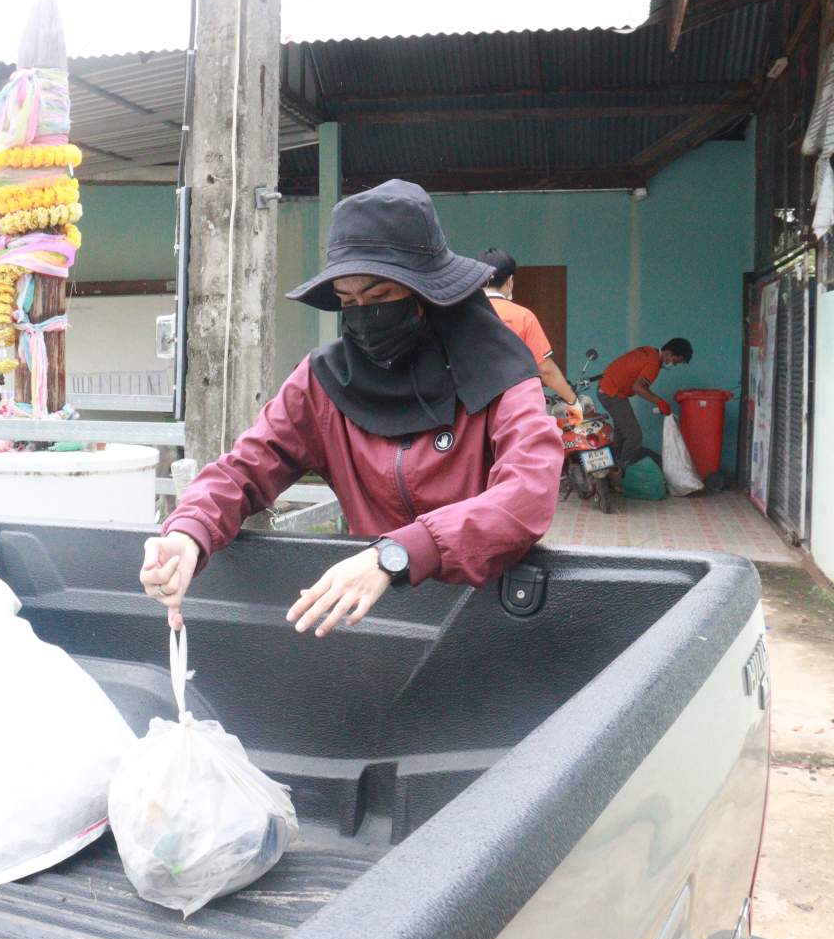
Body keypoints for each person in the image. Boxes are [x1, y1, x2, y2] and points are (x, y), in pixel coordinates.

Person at [140, 180, 562, 637]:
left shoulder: (497, 371)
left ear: (427, 295)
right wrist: (189, 531)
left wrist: (397, 553)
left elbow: (527, 492)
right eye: (347, 301)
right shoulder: (325, 380)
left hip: (488, 614)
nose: (363, 313)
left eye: (379, 298)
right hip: (377, 619)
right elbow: (246, 467)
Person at [477, 249, 583, 423]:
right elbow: (545, 369)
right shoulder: (523, 316)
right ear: (510, 281)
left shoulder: (459, 316)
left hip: (470, 412)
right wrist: (573, 402)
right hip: (513, 413)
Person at [597, 338, 693, 467]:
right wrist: (659, 402)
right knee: (634, 436)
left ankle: (612, 464)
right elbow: (638, 387)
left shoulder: (648, 350)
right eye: (675, 362)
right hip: (611, 393)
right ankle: (622, 470)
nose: (673, 365)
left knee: (622, 432)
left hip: (607, 389)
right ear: (668, 353)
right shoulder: (653, 364)